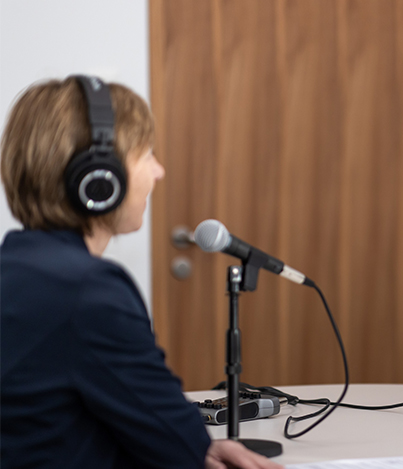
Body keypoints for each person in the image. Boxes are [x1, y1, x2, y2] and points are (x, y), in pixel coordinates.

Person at [0, 76, 282, 468]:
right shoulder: (89, 290)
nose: (159, 171)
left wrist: (197, 445)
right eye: (146, 154)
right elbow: (177, 448)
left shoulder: (14, 266)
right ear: (100, 178)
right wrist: (194, 446)